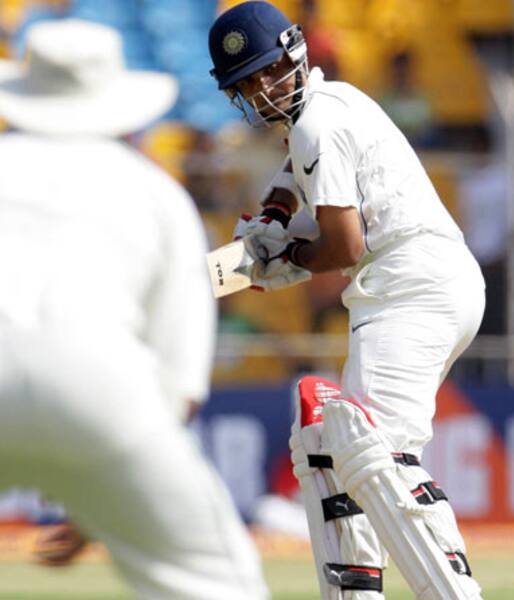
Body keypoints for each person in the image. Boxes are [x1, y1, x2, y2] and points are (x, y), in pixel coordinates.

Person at [208, 2, 485, 599]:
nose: (264, 88)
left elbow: (345, 245)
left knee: (376, 452)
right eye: (249, 82)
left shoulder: (317, 124)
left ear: (295, 53)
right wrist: (275, 212)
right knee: (326, 446)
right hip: (430, 280)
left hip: (407, 285)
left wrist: (281, 258)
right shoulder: (336, 102)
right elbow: (298, 164)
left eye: (269, 70)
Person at [0, 19, 268, 600]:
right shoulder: (157, 193)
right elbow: (180, 385)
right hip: (101, 391)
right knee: (221, 583)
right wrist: (109, 490)